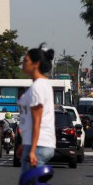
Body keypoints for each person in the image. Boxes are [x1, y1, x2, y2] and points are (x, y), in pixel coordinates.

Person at [16, 43, 56, 175]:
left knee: (28, 183)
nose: (23, 63)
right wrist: (24, 144)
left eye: (26, 60)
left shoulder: (37, 87)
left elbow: (37, 121)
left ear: (36, 64)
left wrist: (32, 150)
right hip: (37, 143)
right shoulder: (41, 85)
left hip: (38, 145)